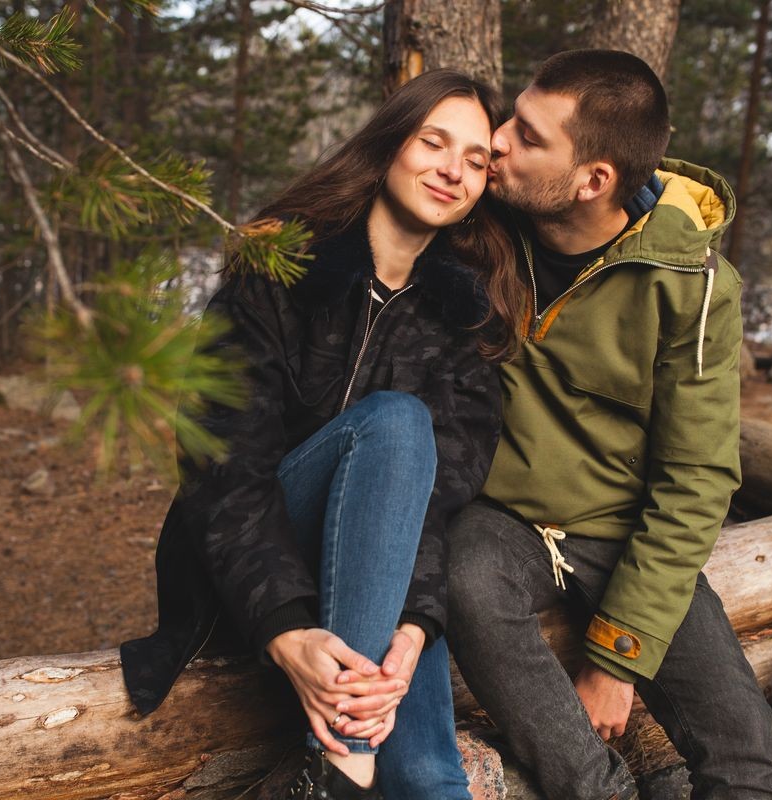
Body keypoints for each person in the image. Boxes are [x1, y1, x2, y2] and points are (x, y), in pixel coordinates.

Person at [391, 50, 772, 799]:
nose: (498, 141)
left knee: (744, 744)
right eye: (512, 117)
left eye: (529, 137)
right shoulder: (481, 226)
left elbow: (697, 478)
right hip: (498, 519)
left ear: (594, 180)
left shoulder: (690, 288)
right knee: (468, 575)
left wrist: (613, 659)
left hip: (621, 530)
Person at [119, 69, 521, 800]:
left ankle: (337, 774)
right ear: (390, 142)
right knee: (397, 425)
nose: (452, 170)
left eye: (475, 160)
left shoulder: (462, 318)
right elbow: (222, 465)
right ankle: (343, 762)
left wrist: (413, 629)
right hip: (243, 568)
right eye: (434, 142)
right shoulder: (280, 265)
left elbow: (436, 500)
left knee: (432, 778)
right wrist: (285, 628)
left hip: (380, 568)